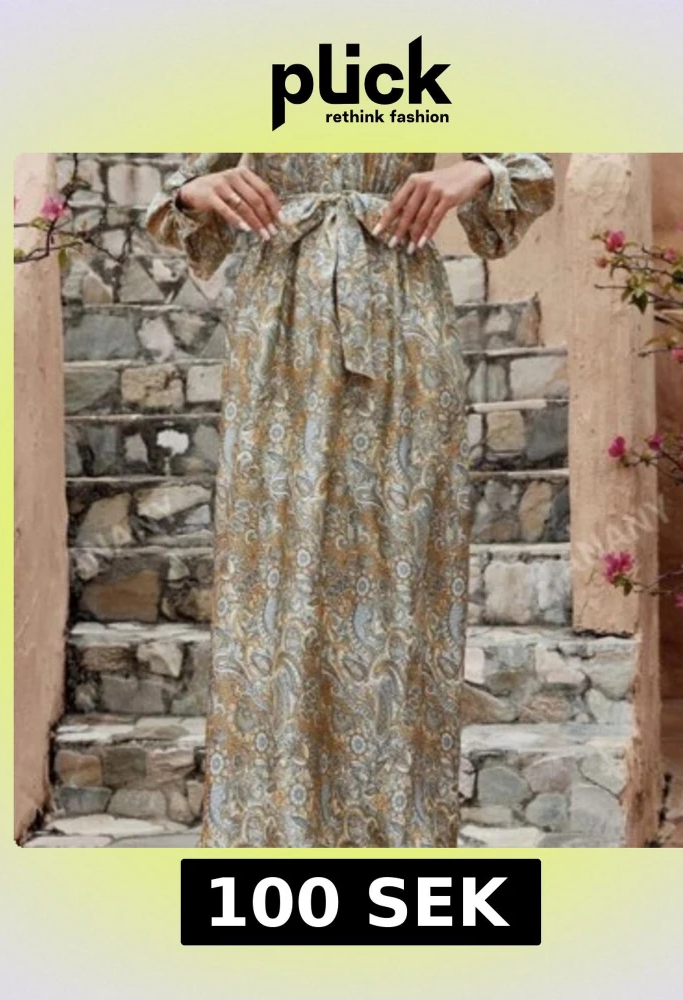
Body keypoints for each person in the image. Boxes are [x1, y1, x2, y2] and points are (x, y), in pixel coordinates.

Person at [144, 153, 555, 847]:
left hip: (401, 316)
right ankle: (276, 836)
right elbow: (174, 209)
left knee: (400, 576)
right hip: (280, 330)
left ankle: (396, 837)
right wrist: (196, 191)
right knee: (279, 585)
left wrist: (478, 171)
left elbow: (532, 170)